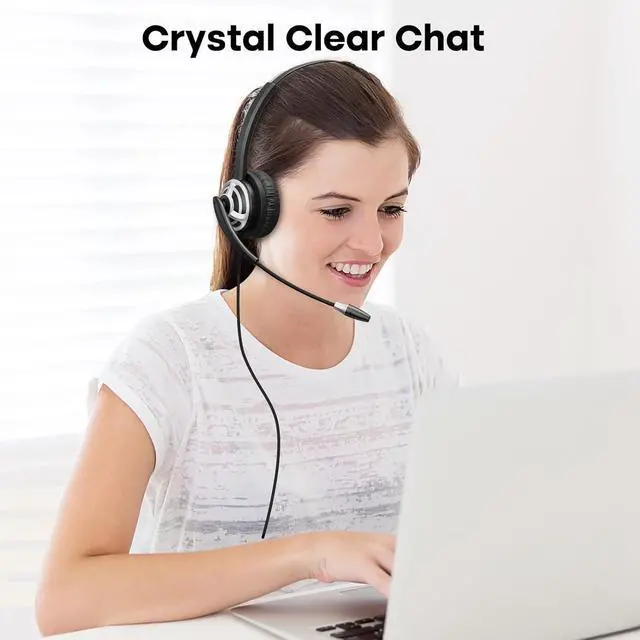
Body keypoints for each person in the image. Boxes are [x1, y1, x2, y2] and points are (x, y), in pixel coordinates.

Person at [34, 59, 457, 636]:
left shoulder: (409, 352)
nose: (372, 242)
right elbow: (66, 599)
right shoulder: (169, 359)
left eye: (391, 209)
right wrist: (309, 555)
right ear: (250, 209)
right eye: (336, 211)